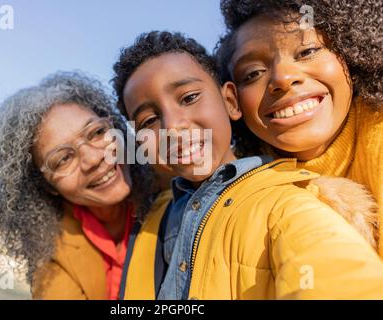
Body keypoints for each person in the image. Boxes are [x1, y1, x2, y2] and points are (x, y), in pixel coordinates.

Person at [112, 31, 383, 299]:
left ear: (230, 101)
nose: (172, 126)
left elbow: (340, 277)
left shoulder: (286, 203)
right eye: (149, 120)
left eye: (189, 98)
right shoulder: (152, 215)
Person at [0, 71, 166, 299]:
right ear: (48, 186)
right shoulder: (52, 255)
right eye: (63, 159)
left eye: (97, 132)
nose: (93, 159)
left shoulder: (176, 192)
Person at [215, 0, 383, 254]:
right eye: (252, 73)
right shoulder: (237, 196)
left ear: (349, 53)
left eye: (307, 52)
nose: (282, 78)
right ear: (232, 101)